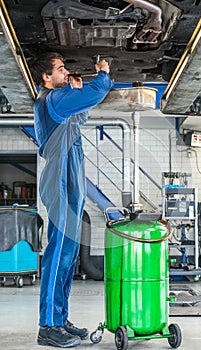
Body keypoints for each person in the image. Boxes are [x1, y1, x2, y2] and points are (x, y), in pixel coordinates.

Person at [29, 52, 113, 348]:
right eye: (60, 69)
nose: (65, 72)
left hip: (71, 175)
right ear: (46, 78)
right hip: (60, 179)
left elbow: (79, 117)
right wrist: (102, 73)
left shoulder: (61, 102)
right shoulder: (51, 99)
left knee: (68, 255)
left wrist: (74, 91)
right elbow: (97, 93)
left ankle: (60, 319)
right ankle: (48, 326)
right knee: (58, 253)